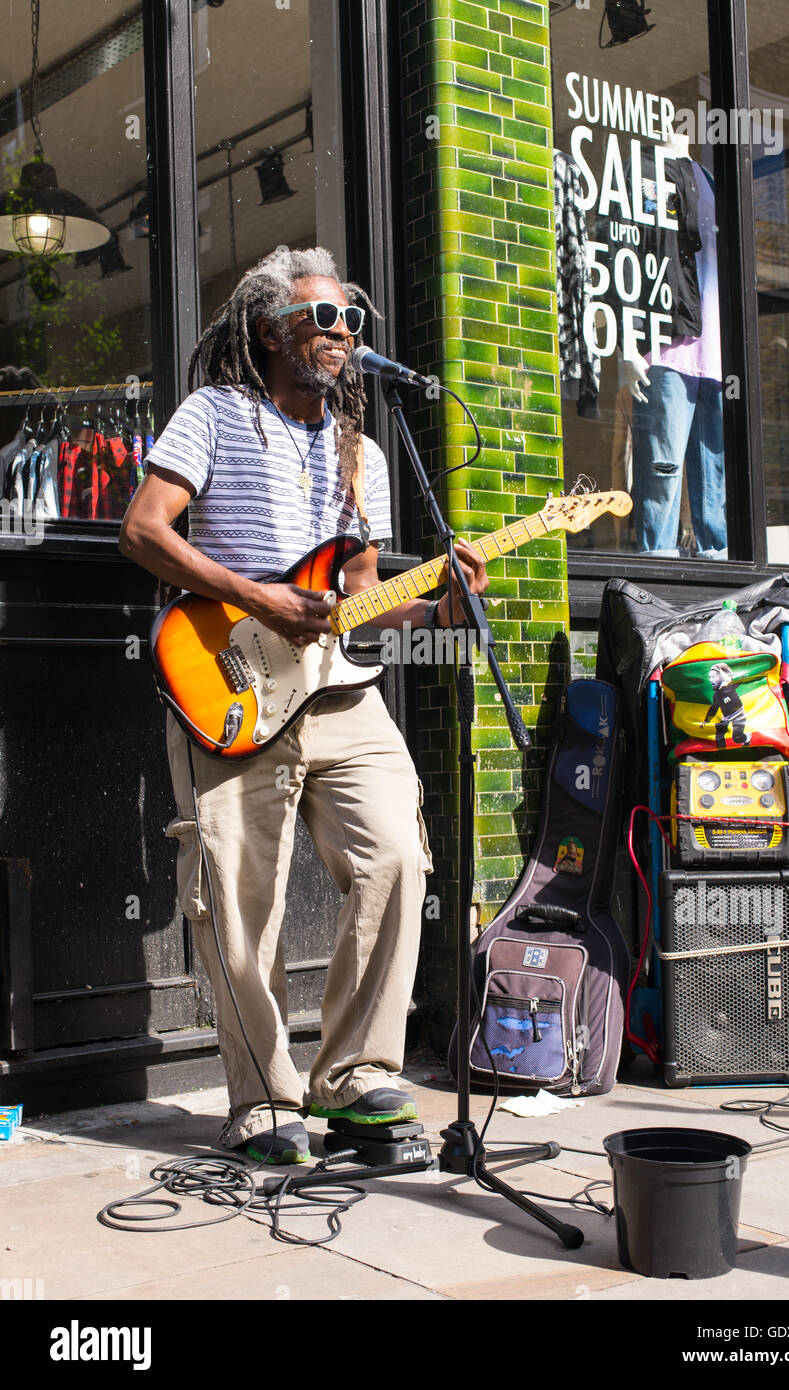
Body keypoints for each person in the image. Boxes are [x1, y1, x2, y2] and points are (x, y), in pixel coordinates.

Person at [120, 246, 489, 1164]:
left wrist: (440, 603)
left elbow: (362, 593)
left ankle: (357, 1077)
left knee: (397, 856)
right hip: (231, 678)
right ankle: (263, 1102)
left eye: (348, 320)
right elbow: (143, 530)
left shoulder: (359, 450)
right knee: (239, 900)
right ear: (266, 330)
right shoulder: (212, 415)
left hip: (336, 684)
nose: (340, 333)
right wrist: (255, 597)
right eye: (321, 318)